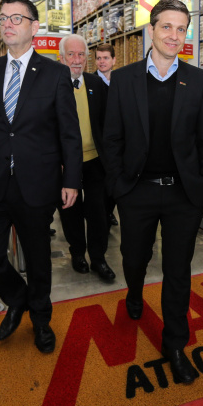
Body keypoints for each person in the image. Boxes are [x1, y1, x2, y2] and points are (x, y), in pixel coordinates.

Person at [0, 0, 82, 354]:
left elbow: (69, 133)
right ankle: (18, 298)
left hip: (37, 183)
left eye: (16, 18)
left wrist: (71, 179)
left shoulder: (56, 74)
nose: (7, 24)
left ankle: (41, 320)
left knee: (39, 258)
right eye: (2, 19)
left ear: (34, 27)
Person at [103, 0, 203, 384]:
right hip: (136, 191)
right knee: (134, 256)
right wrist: (119, 186)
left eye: (181, 29)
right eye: (166, 26)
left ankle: (175, 343)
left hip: (183, 194)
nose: (173, 35)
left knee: (177, 270)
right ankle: (134, 292)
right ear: (150, 30)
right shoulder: (124, 79)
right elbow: (112, 138)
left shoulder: (198, 81)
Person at [56, 35, 117, 282]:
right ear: (61, 57)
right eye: (71, 54)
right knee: (70, 211)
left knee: (98, 212)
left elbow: (108, 122)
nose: (77, 60)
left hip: (95, 161)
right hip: (64, 163)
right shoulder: (52, 85)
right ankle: (77, 253)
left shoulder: (96, 84)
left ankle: (98, 258)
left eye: (81, 54)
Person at [94, 43, 119, 227]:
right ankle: (102, 215)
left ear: (113, 60)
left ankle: (110, 211)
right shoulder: (91, 82)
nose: (102, 62)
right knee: (100, 185)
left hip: (118, 142)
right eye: (98, 58)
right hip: (98, 145)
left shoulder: (121, 81)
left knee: (116, 182)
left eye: (105, 58)